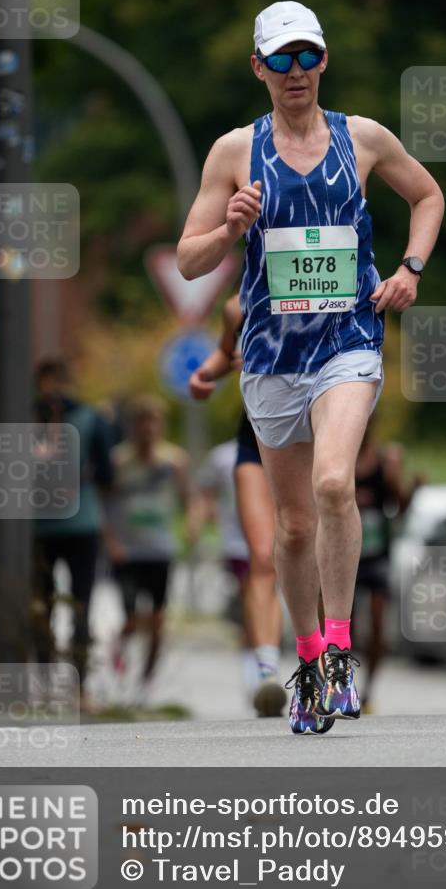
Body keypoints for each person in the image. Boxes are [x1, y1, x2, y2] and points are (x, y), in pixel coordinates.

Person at [177, 0, 444, 733]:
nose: (295, 72)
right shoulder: (235, 151)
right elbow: (189, 259)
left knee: (333, 483)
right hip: (270, 356)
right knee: (293, 529)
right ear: (259, 68)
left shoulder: (363, 138)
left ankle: (339, 652)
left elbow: (427, 195)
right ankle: (306, 663)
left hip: (347, 342)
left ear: (323, 60)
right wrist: (229, 227)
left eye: (307, 57)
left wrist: (410, 269)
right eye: (281, 60)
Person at [189, 293, 285, 717]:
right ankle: (265, 671)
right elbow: (226, 352)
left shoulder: (318, 284)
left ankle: (324, 659)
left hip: (308, 435)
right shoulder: (238, 306)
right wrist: (205, 373)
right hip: (255, 436)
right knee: (261, 557)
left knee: (312, 552)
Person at [32, 358, 113, 698]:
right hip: (56, 525)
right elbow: (106, 472)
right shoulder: (89, 417)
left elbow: (107, 471)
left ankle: (65, 685)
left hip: (63, 525)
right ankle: (64, 686)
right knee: (61, 606)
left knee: (60, 606)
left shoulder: (26, 417)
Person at [105, 395, 189, 684]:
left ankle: (146, 678)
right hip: (127, 550)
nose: (149, 429)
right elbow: (104, 502)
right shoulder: (118, 460)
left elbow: (187, 499)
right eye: (143, 422)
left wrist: (191, 524)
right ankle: (119, 646)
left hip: (160, 548)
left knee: (156, 620)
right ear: (133, 426)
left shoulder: (174, 460)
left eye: (154, 422)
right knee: (131, 618)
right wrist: (110, 540)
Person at [354, 419, 422, 713]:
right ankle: (344, 683)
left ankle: (368, 690)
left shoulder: (385, 461)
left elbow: (400, 507)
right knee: (346, 626)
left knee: (377, 625)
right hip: (345, 556)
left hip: (378, 555)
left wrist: (412, 489)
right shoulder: (338, 459)